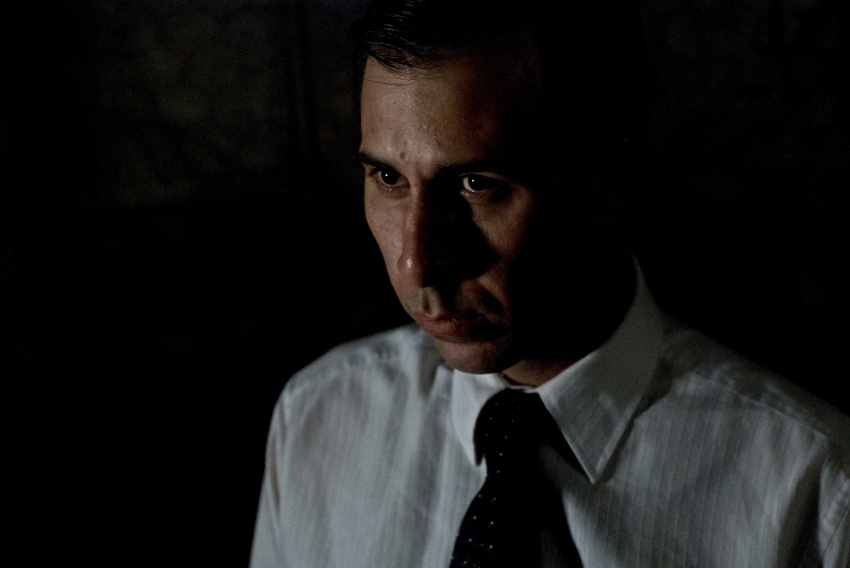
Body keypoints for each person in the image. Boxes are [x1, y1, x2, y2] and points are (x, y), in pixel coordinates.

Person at [250, 0, 850, 566]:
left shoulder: (813, 486)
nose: (416, 264)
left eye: (476, 185)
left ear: (604, 181)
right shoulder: (318, 420)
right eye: (387, 177)